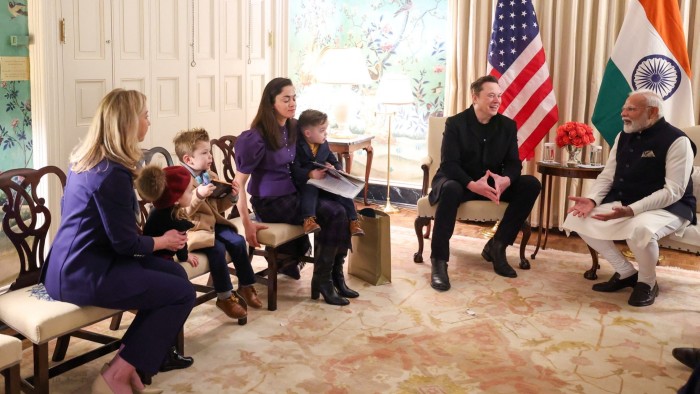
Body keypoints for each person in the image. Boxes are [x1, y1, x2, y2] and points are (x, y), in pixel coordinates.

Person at [40, 88, 195, 394]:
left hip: (68, 265)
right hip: (84, 274)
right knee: (181, 292)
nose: (149, 122)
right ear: (128, 123)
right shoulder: (113, 174)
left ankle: (132, 364)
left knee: (175, 276)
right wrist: (162, 242)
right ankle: (115, 375)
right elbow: (125, 245)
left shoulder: (86, 160)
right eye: (145, 116)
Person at [563, 89, 696, 307]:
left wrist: (633, 210)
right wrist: (593, 200)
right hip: (627, 203)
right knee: (577, 218)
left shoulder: (677, 141)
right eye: (624, 108)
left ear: (652, 112)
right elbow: (608, 175)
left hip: (671, 207)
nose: (623, 113)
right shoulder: (622, 135)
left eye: (631, 109)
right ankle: (625, 272)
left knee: (640, 230)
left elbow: (673, 191)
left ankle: (647, 282)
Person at [234, 77, 358, 306]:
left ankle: (333, 277)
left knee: (340, 208)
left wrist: (329, 169)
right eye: (286, 99)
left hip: (293, 193)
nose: (292, 103)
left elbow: (317, 145)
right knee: (333, 213)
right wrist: (246, 221)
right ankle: (324, 281)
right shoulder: (256, 137)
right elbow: (238, 183)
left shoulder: (293, 127)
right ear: (272, 103)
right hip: (269, 202)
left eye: (294, 98)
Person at [428, 75, 541, 291]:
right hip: (459, 181)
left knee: (531, 184)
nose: (497, 100)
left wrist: (505, 180)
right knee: (451, 189)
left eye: (499, 95)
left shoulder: (508, 126)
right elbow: (449, 164)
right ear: (475, 98)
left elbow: (513, 163)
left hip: (491, 184)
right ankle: (439, 262)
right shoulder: (455, 123)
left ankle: (497, 246)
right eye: (491, 95)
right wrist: (472, 184)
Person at [173, 128, 263, 318]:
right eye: (204, 153)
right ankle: (225, 296)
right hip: (195, 230)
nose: (210, 156)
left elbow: (217, 208)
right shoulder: (181, 181)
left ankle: (247, 285)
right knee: (217, 250)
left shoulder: (210, 175)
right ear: (189, 159)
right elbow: (181, 215)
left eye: (209, 152)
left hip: (215, 224)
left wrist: (231, 196)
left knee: (238, 242)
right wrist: (198, 195)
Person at [291, 109, 364, 236]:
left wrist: (337, 170)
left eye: (326, 129)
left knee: (343, 192)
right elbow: (294, 169)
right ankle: (309, 220)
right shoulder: (298, 146)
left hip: (325, 181)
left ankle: (353, 221)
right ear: (308, 133)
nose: (326, 133)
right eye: (322, 131)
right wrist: (310, 174)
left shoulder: (324, 144)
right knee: (310, 188)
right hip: (308, 181)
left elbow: (332, 159)